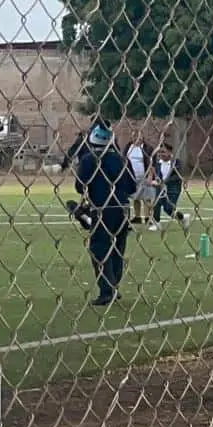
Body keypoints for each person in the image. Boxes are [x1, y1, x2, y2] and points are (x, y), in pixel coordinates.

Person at [73, 121, 135, 306]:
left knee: (100, 248)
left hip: (101, 209)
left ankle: (107, 290)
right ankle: (114, 284)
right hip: (122, 208)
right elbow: (132, 186)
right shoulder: (123, 160)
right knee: (117, 248)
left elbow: (80, 186)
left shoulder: (88, 160)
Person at [149, 143, 187, 231]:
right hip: (160, 188)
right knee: (156, 204)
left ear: (170, 152)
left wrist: (163, 182)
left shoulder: (176, 163)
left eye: (163, 152)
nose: (160, 154)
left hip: (173, 188)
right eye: (159, 152)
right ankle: (157, 223)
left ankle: (182, 218)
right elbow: (156, 175)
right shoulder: (158, 163)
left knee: (168, 208)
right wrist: (153, 181)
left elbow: (177, 176)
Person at [125, 134, 155, 224]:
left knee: (147, 197)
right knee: (135, 197)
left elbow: (151, 164)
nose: (137, 138)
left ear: (142, 137)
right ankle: (137, 216)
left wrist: (150, 176)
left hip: (144, 176)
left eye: (138, 136)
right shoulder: (128, 147)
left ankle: (147, 217)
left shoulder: (147, 148)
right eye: (134, 136)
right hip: (131, 177)